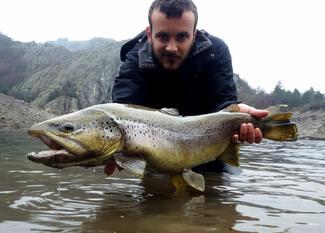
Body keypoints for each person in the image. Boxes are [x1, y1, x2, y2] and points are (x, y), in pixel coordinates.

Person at [112, 0, 268, 172]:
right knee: (156, 192)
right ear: (149, 33)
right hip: (156, 155)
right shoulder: (134, 61)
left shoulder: (215, 52)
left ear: (194, 33)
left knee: (219, 191)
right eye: (163, 36)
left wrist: (238, 116)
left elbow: (223, 102)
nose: (172, 47)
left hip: (210, 149)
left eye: (182, 37)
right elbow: (123, 110)